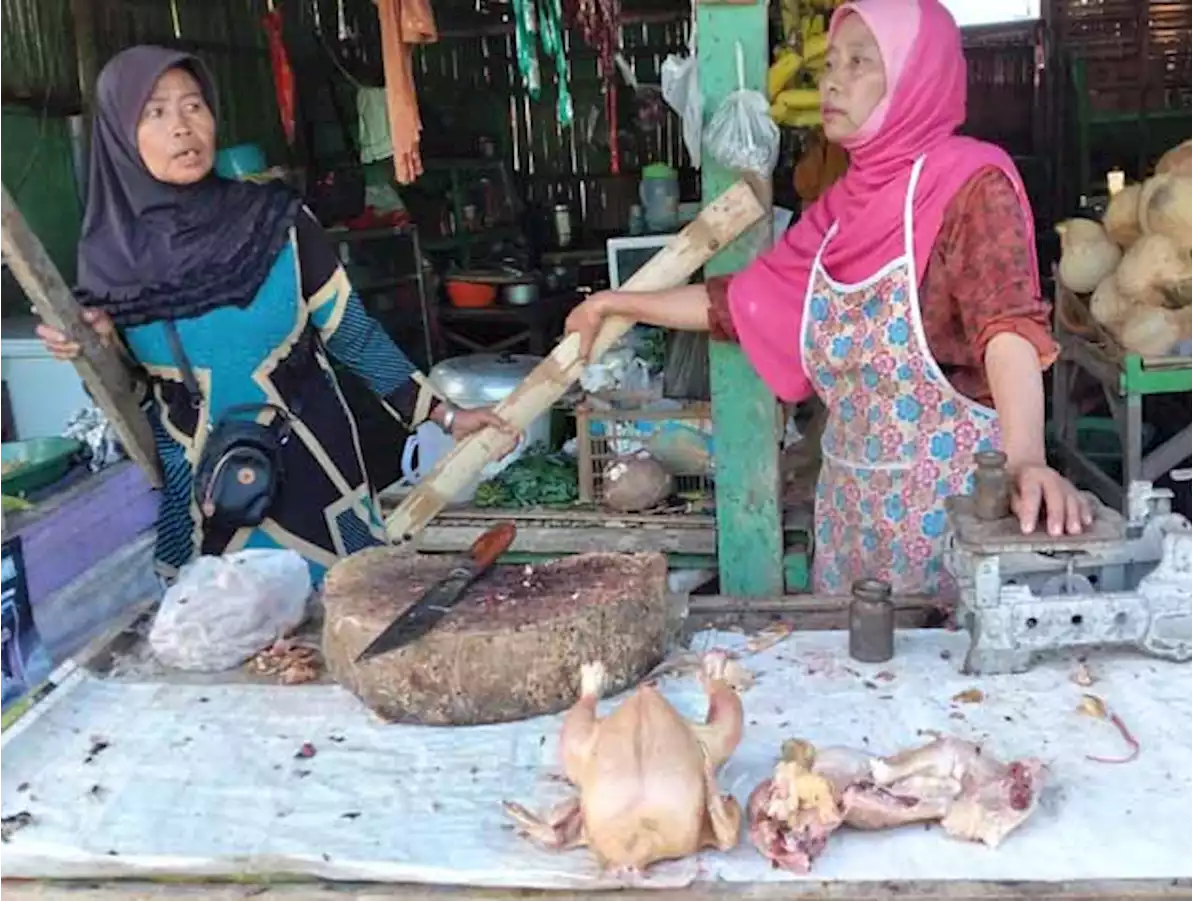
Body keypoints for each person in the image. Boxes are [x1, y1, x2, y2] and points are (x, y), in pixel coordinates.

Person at [565, 0, 1090, 600]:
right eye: (831, 62)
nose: (834, 80)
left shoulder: (970, 181)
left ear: (918, 75)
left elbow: (1008, 329)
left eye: (861, 62)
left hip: (956, 514)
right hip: (851, 518)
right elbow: (740, 304)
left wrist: (1026, 460)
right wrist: (619, 303)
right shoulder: (840, 211)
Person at [36, 45, 513, 585]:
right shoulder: (106, 260)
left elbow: (352, 333)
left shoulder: (275, 221)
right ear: (120, 136)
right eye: (156, 112)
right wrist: (94, 348)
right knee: (228, 649)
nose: (182, 127)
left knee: (352, 623)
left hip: (318, 483)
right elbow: (133, 395)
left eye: (193, 106)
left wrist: (445, 416)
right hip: (204, 506)